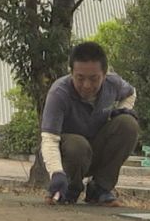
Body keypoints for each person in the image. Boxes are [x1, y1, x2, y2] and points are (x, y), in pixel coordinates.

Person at [42, 41, 141, 205]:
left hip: (95, 148)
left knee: (128, 123)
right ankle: (68, 189)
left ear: (105, 74)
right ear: (71, 73)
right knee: (78, 145)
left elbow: (131, 93)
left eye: (94, 79)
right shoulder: (59, 92)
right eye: (80, 78)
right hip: (68, 155)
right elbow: (49, 139)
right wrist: (56, 172)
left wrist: (123, 109)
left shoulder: (113, 84)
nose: (87, 86)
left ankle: (99, 189)